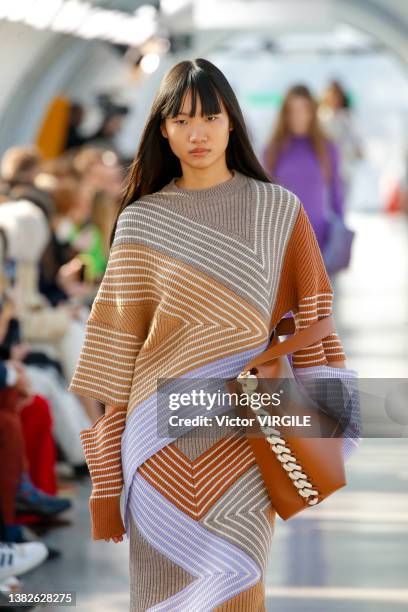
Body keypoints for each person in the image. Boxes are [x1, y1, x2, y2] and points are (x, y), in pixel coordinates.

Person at [69, 59, 356, 610]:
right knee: (161, 594)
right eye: (180, 121)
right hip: (157, 442)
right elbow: (114, 345)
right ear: (162, 130)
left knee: (237, 585)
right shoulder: (142, 221)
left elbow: (315, 318)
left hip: (247, 440)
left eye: (209, 117)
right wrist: (107, 468)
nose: (196, 133)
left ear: (232, 123)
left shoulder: (277, 211)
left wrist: (327, 413)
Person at [263, 84, 344, 252]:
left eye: (303, 109)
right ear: (284, 114)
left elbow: (336, 195)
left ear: (312, 112)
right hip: (284, 241)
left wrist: (341, 239)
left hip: (319, 239)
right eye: (291, 110)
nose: (297, 116)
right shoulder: (273, 150)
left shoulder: (327, 148)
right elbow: (265, 199)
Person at [318, 80, 363, 197]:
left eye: (337, 95)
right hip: (325, 168)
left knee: (342, 199)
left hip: (344, 167)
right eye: (332, 95)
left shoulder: (348, 117)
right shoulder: (321, 117)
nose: (335, 99)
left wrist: (357, 150)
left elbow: (356, 139)